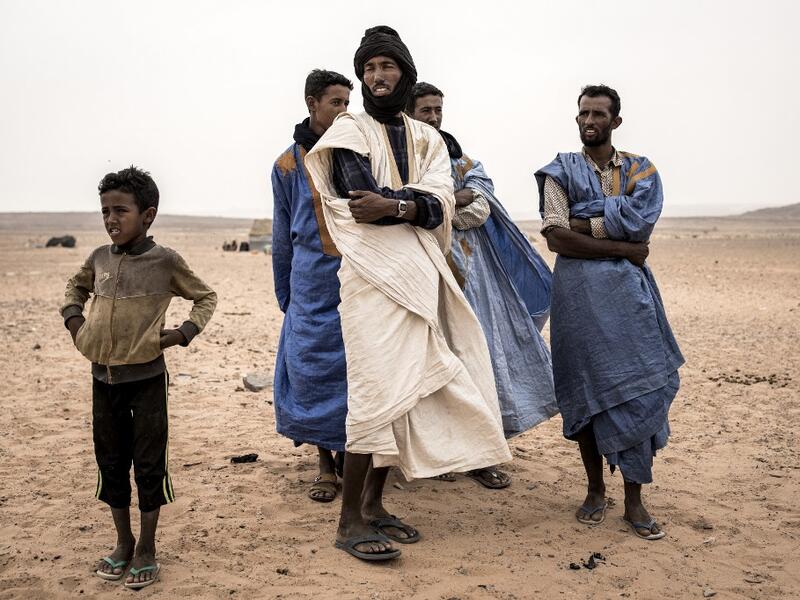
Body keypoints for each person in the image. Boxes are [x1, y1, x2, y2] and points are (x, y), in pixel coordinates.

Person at [303, 26, 511, 561]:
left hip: (420, 272)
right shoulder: (348, 128)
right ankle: (349, 521)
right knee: (373, 395)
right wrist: (414, 205)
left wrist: (401, 207)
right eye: (369, 68)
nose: (378, 77)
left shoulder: (428, 139)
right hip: (372, 276)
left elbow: (441, 201)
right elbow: (356, 198)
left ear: (404, 72)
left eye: (387, 67)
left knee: (405, 394)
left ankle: (374, 506)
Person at [535, 85, 684, 540]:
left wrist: (586, 220)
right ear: (576, 118)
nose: (589, 120)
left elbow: (643, 220)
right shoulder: (559, 170)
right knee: (584, 393)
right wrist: (625, 246)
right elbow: (557, 237)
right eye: (583, 113)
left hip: (629, 303)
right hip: (577, 300)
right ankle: (596, 489)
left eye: (599, 113)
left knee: (638, 390)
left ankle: (635, 501)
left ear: (615, 121)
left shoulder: (642, 169)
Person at [61, 166, 217, 587]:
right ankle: (124, 542)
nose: (111, 220)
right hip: (103, 380)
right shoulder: (99, 258)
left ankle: (147, 547)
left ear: (147, 215)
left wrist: (182, 334)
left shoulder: (164, 261)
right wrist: (78, 327)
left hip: (147, 381)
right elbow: (74, 289)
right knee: (111, 464)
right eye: (105, 211)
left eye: (121, 211)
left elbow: (205, 296)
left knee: (148, 466)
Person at [407, 82, 558, 490]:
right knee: (430, 366)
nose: (434, 117)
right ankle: (438, 453)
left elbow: (478, 202)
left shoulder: (463, 159)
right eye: (426, 110)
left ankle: (482, 456)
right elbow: (406, 205)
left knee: (480, 362)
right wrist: (436, 202)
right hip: (423, 278)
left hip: (474, 280)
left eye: (438, 109)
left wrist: (432, 203)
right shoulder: (401, 160)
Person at [271, 69, 353, 503]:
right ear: (312, 103)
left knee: (353, 371)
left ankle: (348, 457)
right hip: (310, 284)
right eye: (335, 102)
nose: (343, 110)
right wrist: (286, 294)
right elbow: (283, 232)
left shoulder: (356, 152)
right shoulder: (286, 165)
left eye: (346, 102)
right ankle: (324, 463)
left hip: (357, 279)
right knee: (313, 371)